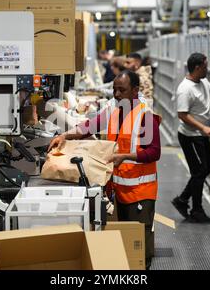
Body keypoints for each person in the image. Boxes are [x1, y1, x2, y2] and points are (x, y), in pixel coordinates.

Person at [48, 71, 161, 269]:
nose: (116, 94)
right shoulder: (114, 111)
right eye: (114, 89)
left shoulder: (145, 116)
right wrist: (65, 135)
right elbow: (89, 127)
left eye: (122, 90)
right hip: (117, 189)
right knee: (119, 241)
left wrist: (125, 156)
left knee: (139, 245)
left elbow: (154, 152)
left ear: (135, 91)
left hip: (140, 192)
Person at [172, 53, 210, 224]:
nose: (207, 69)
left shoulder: (203, 82)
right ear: (197, 68)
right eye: (205, 66)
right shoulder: (185, 88)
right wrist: (203, 127)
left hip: (200, 135)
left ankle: (183, 200)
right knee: (200, 170)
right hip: (190, 136)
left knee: (203, 169)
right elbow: (182, 114)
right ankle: (196, 209)